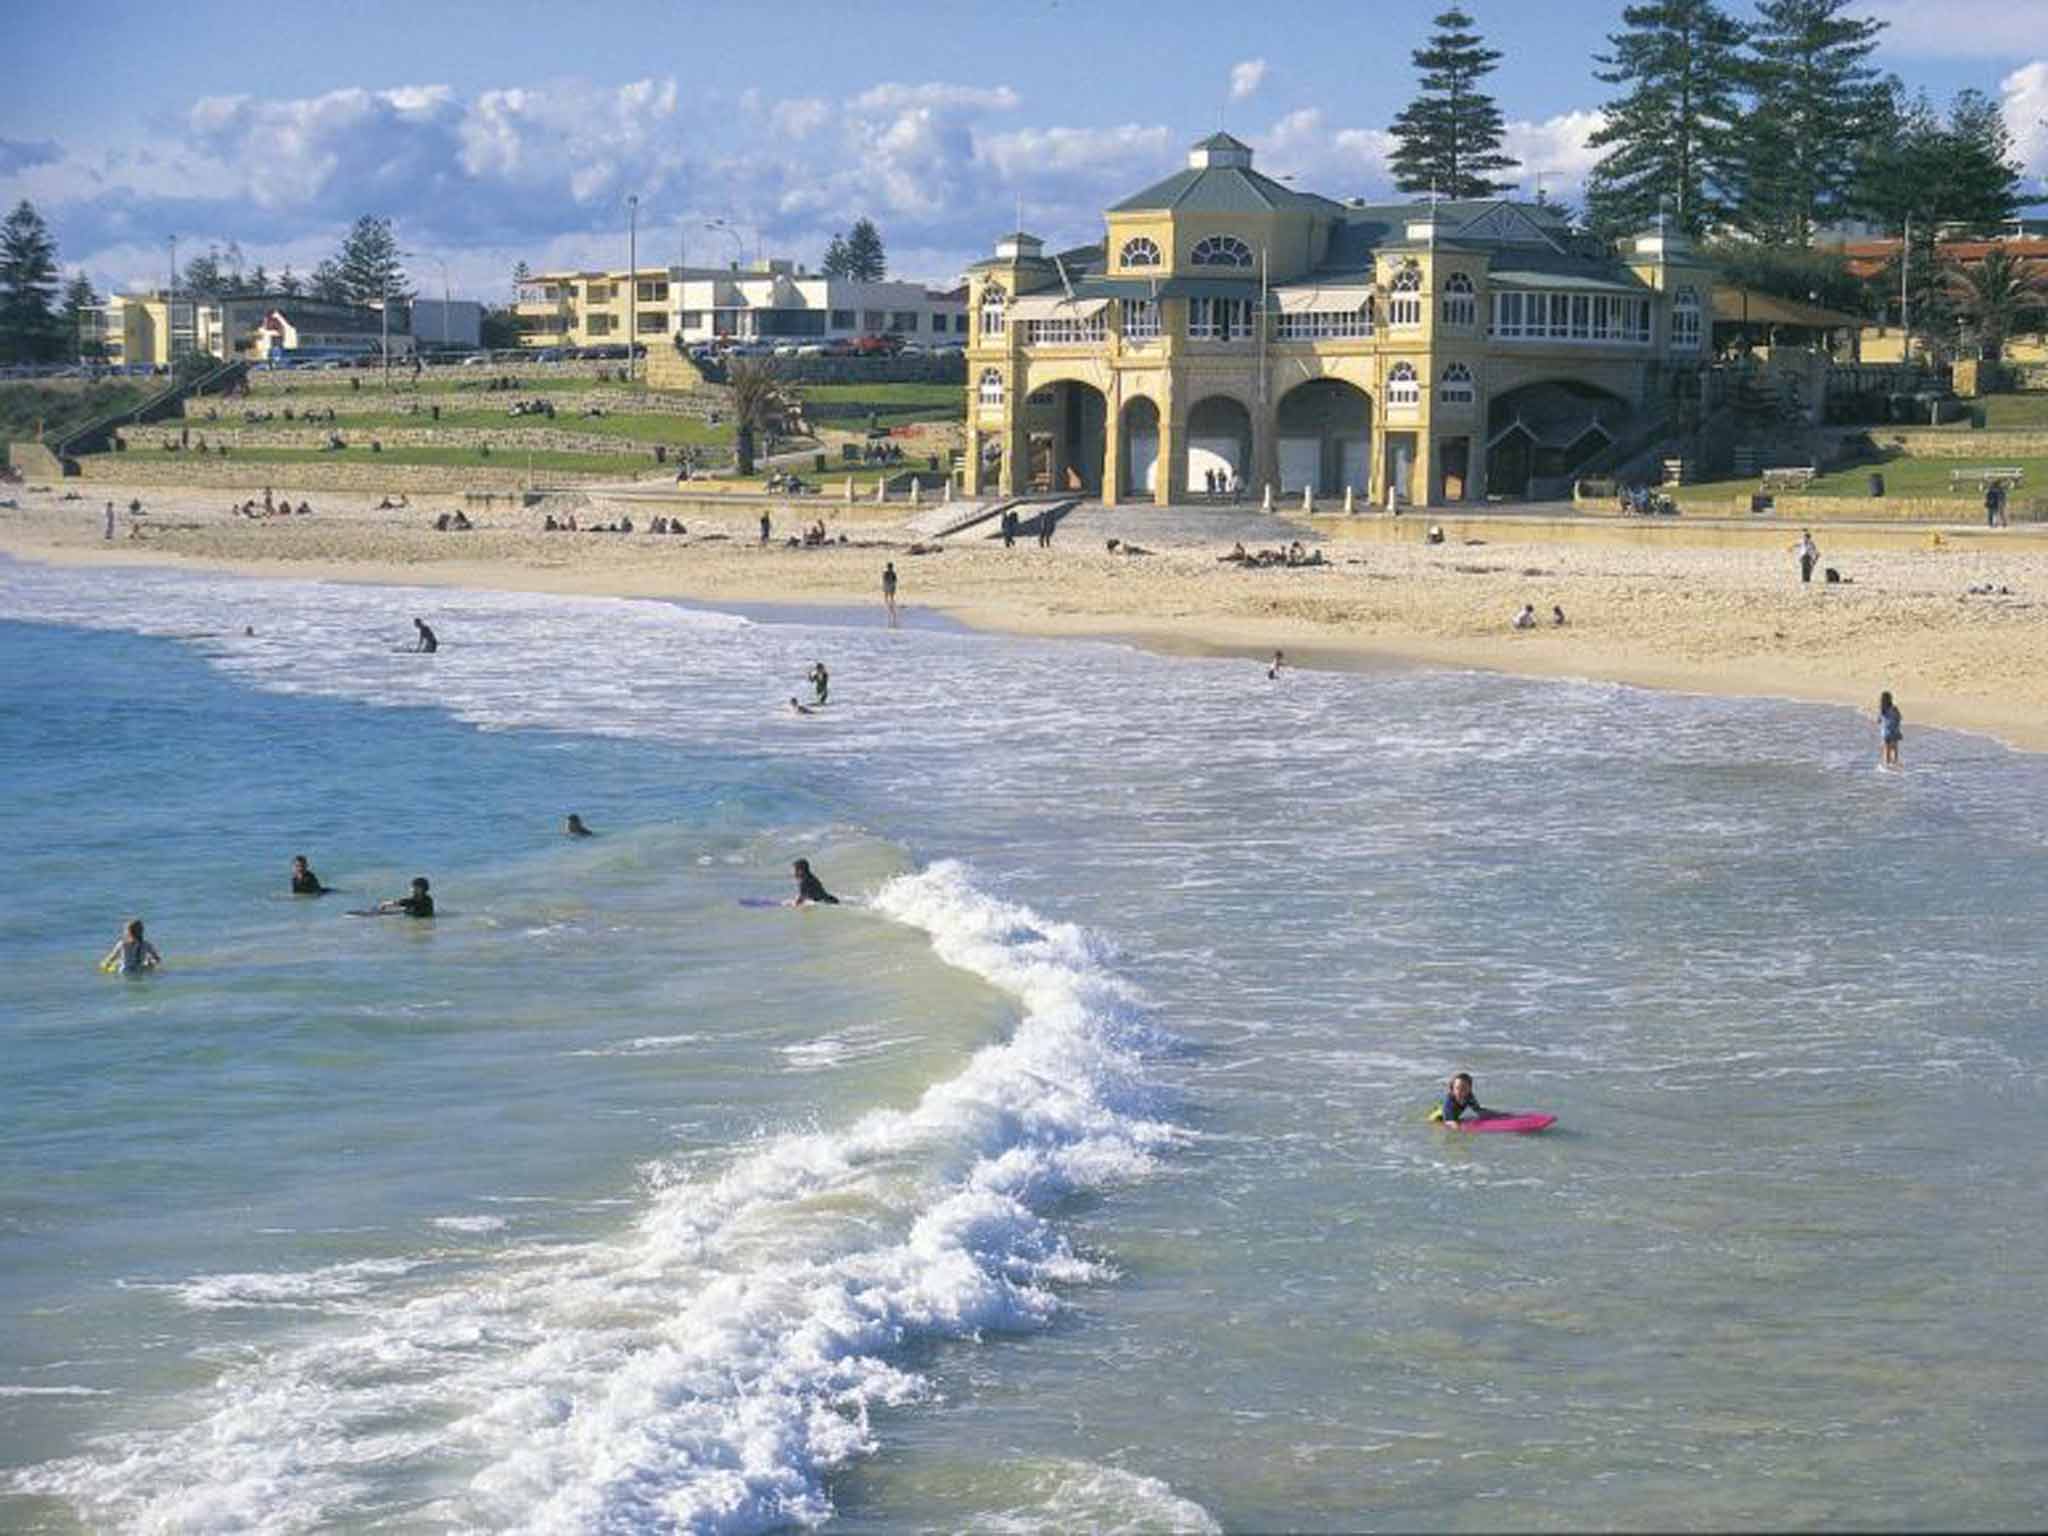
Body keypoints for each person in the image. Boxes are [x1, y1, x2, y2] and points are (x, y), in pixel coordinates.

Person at [1439, 1071, 1503, 1124]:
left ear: (1470, 1088)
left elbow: (1478, 1110)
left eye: (1464, 1088)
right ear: (1453, 1089)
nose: (1461, 1091)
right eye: (1457, 1088)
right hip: (1438, 1121)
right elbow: (1449, 1122)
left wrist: (1498, 1115)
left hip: (1453, 1119)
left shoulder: (1469, 1097)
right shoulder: (1449, 1101)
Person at [1878, 690, 1903, 768]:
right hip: (1894, 730)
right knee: (1895, 748)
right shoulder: (1894, 708)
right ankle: (1895, 762)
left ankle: (1887, 764)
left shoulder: (1882, 710)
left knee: (1887, 749)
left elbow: (1879, 720)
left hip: (1885, 732)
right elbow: (1899, 717)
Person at [881, 561, 899, 625]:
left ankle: (890, 605)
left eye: (890, 567)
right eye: (889, 567)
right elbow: (884, 580)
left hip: (890, 586)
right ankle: (888, 604)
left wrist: (891, 584)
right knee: (887, 596)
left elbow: (895, 580)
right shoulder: (887, 573)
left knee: (890, 596)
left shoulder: (891, 573)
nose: (890, 568)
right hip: (888, 586)